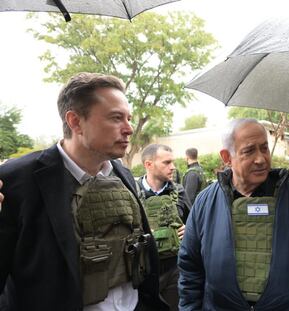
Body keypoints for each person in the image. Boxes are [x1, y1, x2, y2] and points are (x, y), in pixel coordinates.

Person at [0, 73, 167, 311]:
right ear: (75, 121)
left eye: (129, 118)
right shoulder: (16, 180)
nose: (129, 129)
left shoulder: (123, 174)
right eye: (116, 118)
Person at [178, 118, 289, 310]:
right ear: (227, 157)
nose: (260, 159)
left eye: (264, 148)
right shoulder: (205, 203)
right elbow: (190, 269)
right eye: (249, 151)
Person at [136, 144, 191, 311]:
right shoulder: (131, 191)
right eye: (166, 163)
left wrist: (189, 229)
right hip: (144, 270)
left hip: (175, 269)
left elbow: (196, 223)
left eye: (172, 162)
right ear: (148, 164)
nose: (173, 167)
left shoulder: (179, 191)